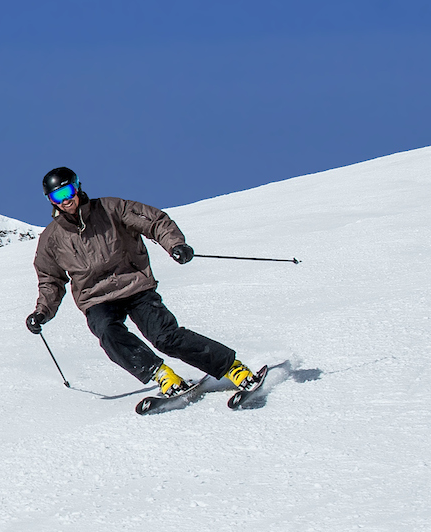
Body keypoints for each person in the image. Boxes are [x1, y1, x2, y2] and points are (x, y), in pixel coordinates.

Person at [25, 167, 259, 400]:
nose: (66, 200)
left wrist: (175, 244)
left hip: (135, 285)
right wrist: (42, 312)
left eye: (68, 191)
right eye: (58, 196)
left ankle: (232, 368)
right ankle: (161, 375)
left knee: (165, 337)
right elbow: (50, 280)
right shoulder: (51, 239)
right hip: (97, 298)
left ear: (78, 187)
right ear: (51, 201)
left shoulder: (111, 209)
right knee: (107, 332)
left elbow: (154, 221)